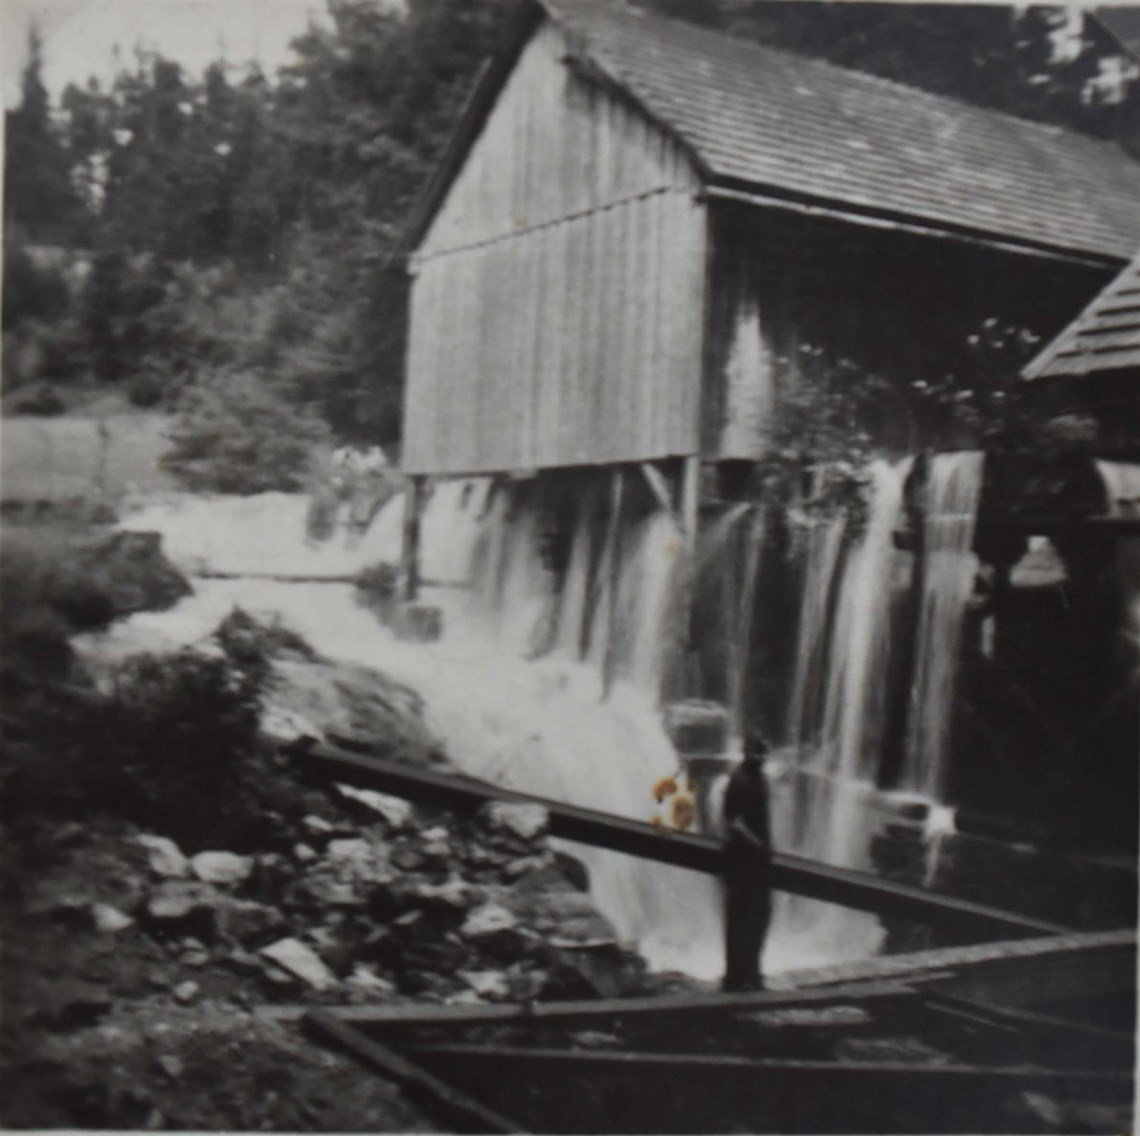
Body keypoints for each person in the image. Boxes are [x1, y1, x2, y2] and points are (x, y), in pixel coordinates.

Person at [721, 732, 773, 993]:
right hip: (742, 862)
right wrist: (757, 845)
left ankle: (750, 971)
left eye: (764, 754)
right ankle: (737, 975)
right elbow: (733, 821)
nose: (761, 759)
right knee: (742, 918)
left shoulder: (758, 778)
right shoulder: (740, 780)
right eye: (757, 753)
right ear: (745, 753)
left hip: (757, 862)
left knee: (758, 917)